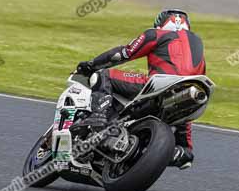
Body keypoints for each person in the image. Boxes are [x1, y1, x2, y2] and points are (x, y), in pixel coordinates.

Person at [74, 9, 205, 169]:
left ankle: (98, 118)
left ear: (161, 23)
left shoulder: (156, 34)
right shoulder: (198, 44)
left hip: (157, 85)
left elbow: (123, 54)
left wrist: (91, 65)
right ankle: (181, 152)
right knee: (186, 139)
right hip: (189, 94)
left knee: (102, 75)